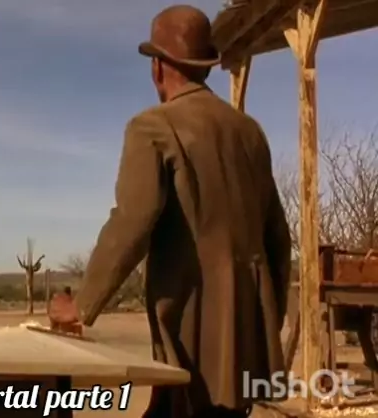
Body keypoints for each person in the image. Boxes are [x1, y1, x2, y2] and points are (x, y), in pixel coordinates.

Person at [52, 5, 291, 418]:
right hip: (243, 338)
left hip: (188, 329)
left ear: (158, 68)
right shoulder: (250, 132)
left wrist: (83, 304)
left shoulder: (152, 127)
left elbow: (132, 220)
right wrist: (266, 318)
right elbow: (278, 239)